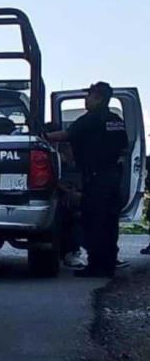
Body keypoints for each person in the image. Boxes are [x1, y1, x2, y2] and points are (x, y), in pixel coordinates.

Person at [47, 82, 128, 277]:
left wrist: (42, 136)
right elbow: (124, 147)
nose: (86, 100)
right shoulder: (115, 120)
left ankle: (96, 266)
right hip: (113, 176)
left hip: (96, 178)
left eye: (89, 96)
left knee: (94, 222)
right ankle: (108, 264)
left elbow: (66, 135)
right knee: (110, 222)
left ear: (98, 98)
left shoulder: (90, 119)